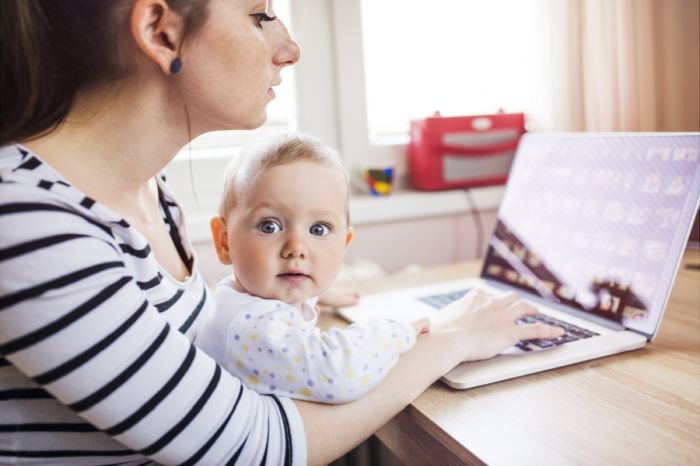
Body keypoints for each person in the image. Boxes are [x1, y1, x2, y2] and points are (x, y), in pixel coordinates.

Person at [0, 1, 564, 465]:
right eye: (259, 14)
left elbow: (179, 352)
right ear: (162, 31)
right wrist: (449, 339)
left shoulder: (149, 192)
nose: (288, 48)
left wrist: (287, 295)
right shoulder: (26, 220)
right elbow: (256, 450)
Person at [195, 133, 430, 403]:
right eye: (269, 226)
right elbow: (340, 373)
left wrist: (313, 294)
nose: (296, 247)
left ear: (344, 243)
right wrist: (397, 331)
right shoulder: (250, 328)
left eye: (319, 229)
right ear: (224, 242)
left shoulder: (243, 298)